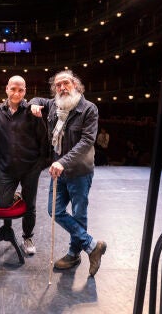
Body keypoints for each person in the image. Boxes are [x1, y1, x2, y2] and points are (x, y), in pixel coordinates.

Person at [30, 69, 107, 276]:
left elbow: (87, 141)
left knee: (79, 214)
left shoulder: (89, 109)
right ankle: (92, 246)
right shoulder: (54, 105)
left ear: (76, 85)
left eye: (66, 83)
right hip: (59, 171)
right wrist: (33, 104)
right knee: (53, 209)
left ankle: (74, 254)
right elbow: (35, 98)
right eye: (58, 85)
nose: (62, 88)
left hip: (80, 171)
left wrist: (63, 162)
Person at [0, 75, 49, 256]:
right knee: (3, 203)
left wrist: (39, 165)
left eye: (21, 90)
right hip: (6, 168)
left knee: (30, 205)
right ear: (6, 89)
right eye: (13, 89)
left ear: (25, 91)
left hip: (30, 168)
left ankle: (27, 236)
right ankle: (13, 201)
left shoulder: (33, 111)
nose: (16, 93)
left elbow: (43, 139)